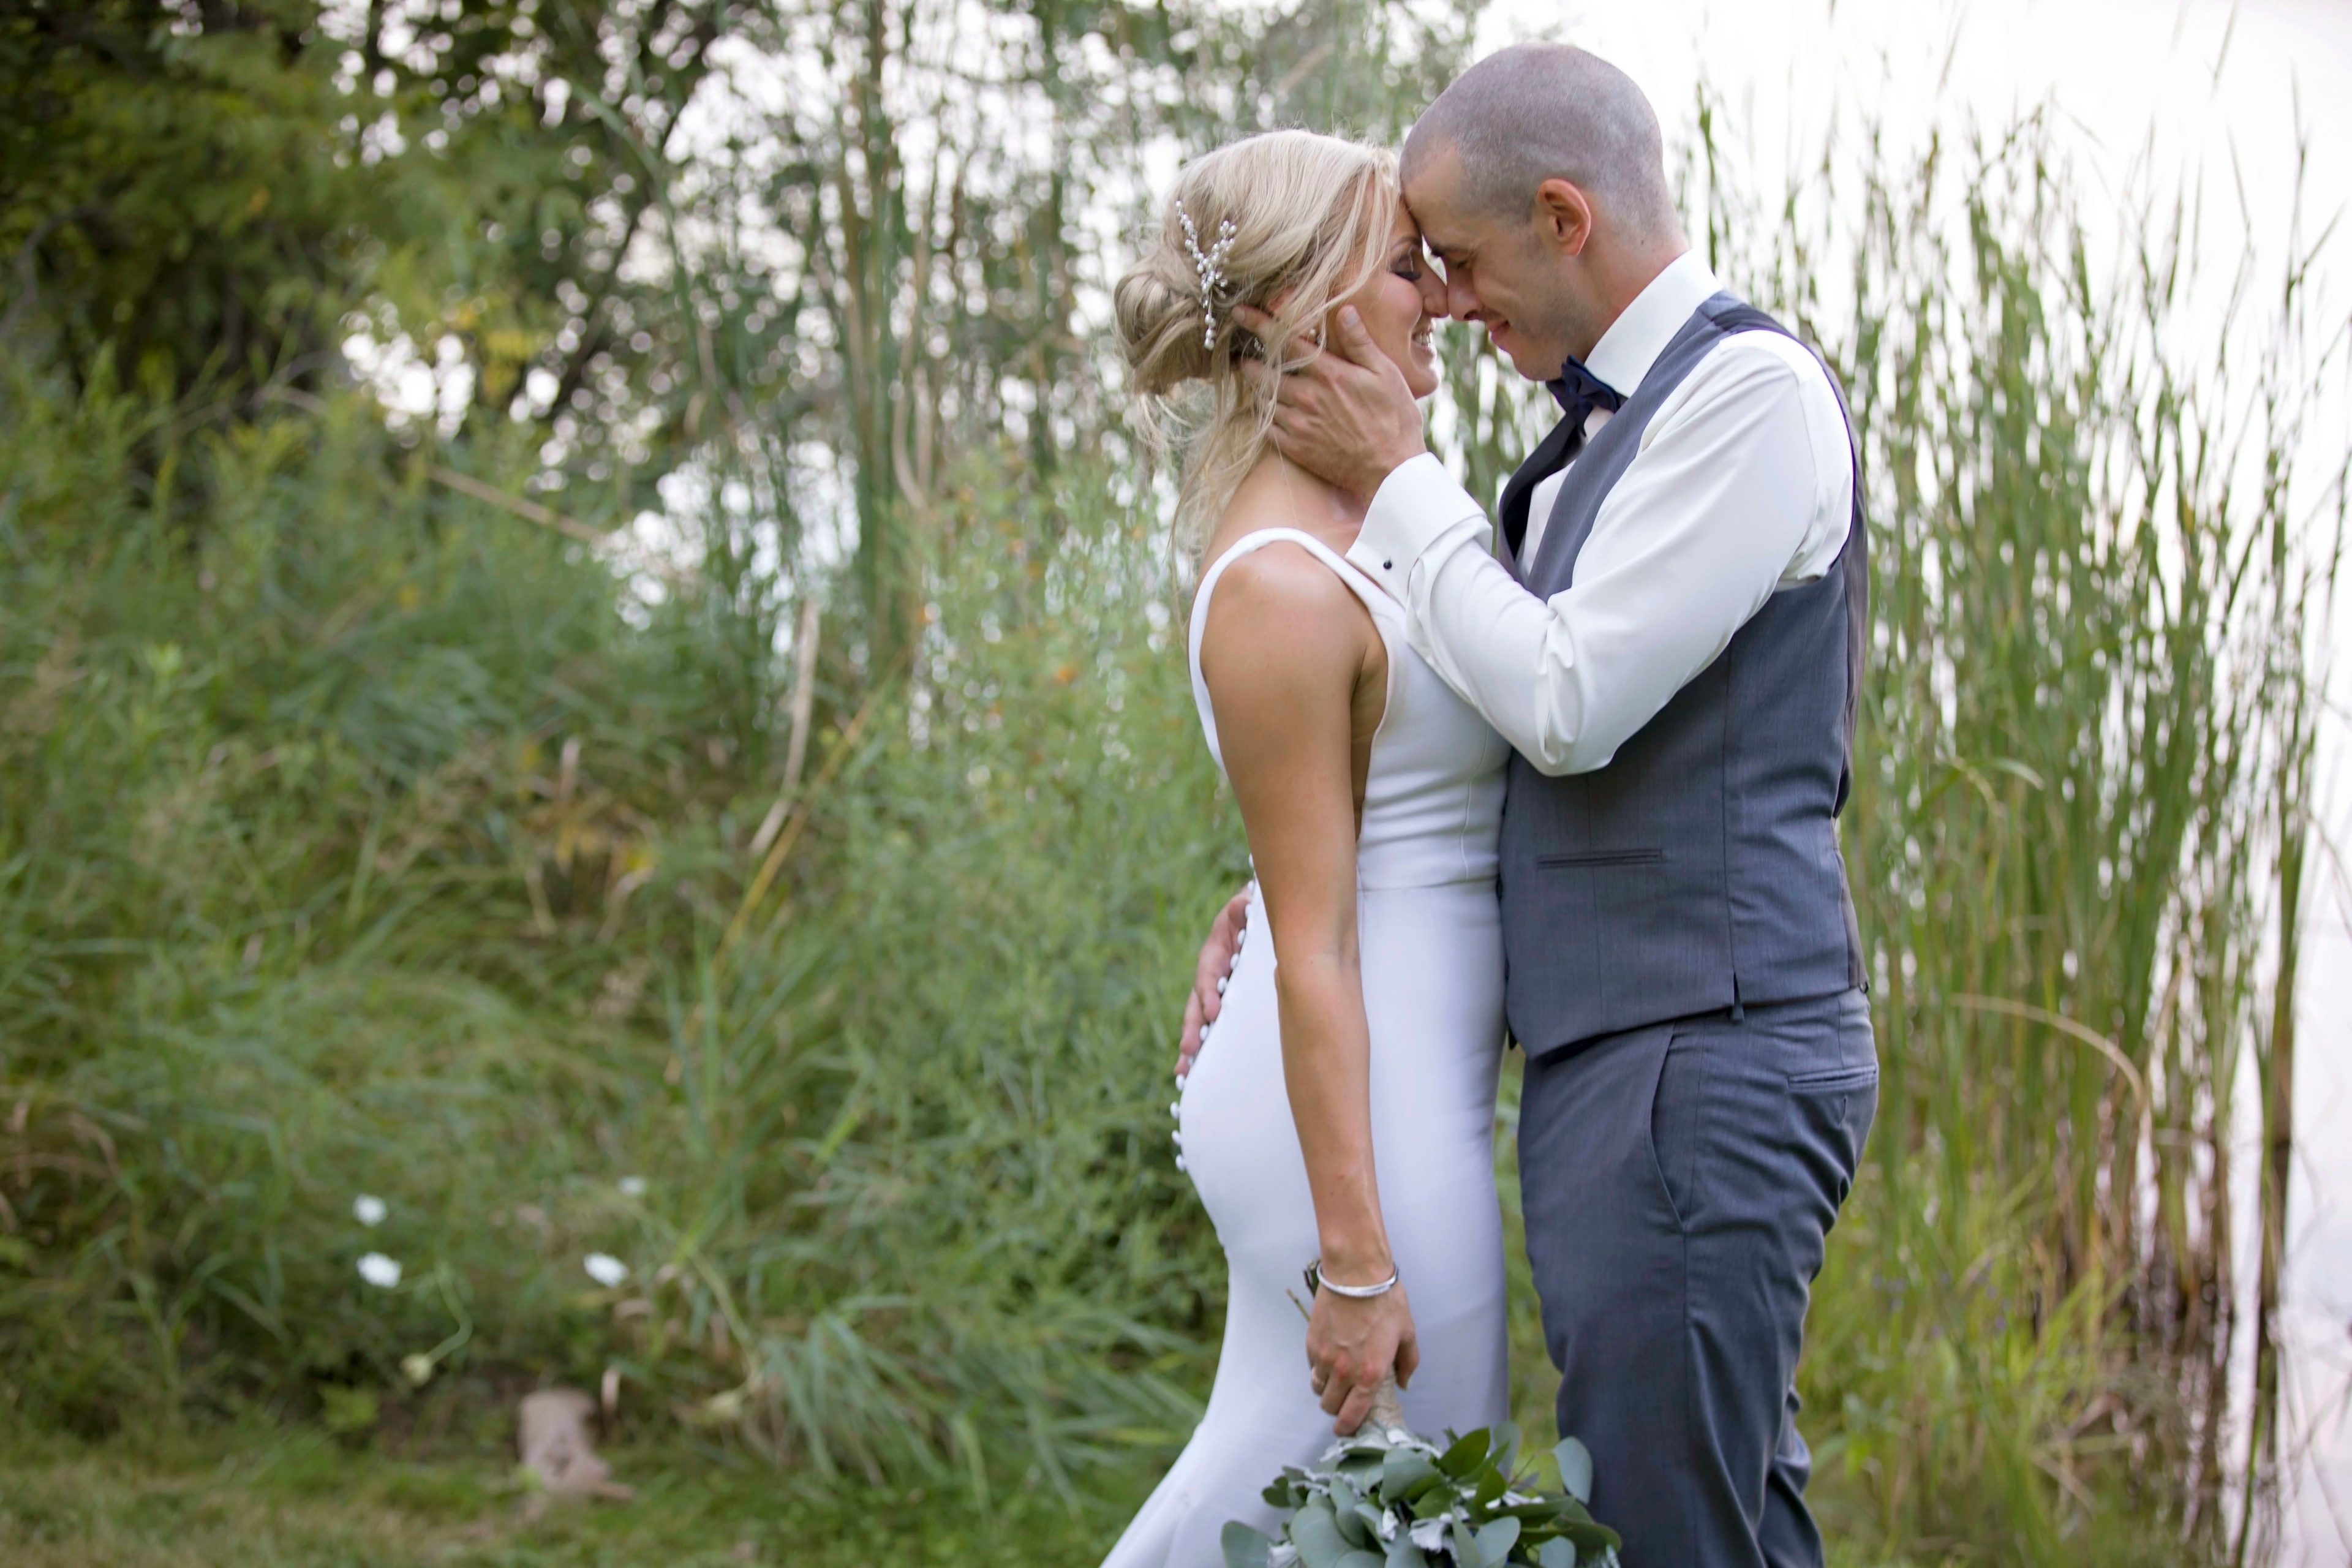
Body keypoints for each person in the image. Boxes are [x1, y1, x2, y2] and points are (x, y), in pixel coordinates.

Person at [1182, 43, 1880, 1568]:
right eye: (1415, 267)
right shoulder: (1570, 459)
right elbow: (1485, 727)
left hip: (1708, 1048)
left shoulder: (1746, 396)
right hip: (1610, 1070)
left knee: (1679, 1517)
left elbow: (1566, 705)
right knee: (1704, 1494)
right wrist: (1301, 887)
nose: (1446, 295)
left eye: (1463, 258)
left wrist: (1404, 472)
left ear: (1565, 215)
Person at [1099, 128, 1515, 1568]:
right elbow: (1322, 934)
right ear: (1301, 309)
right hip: (1357, 1120)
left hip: (1391, 1079)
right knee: (1417, 1497)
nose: (1443, 299)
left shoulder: (1376, 526)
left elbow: (1368, 827)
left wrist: (1262, 897)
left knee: (1389, 1509)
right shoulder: (1279, 585)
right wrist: (1353, 1260)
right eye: (1407, 268)